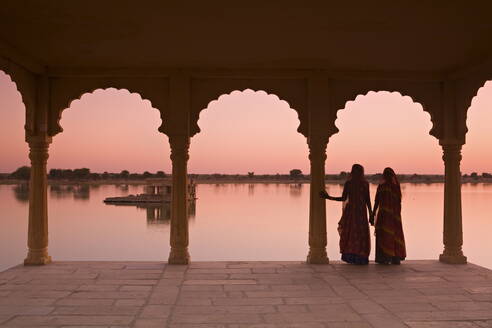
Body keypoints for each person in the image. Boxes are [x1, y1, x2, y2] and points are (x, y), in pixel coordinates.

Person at [320, 164, 372, 264]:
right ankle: (360, 257)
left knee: (351, 233)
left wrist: (329, 197)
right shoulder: (364, 183)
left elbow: (343, 198)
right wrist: (371, 214)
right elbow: (368, 201)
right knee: (360, 234)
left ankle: (353, 256)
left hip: (352, 212)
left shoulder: (350, 183)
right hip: (361, 213)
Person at [371, 167, 406, 265]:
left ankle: (384, 258)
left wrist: (373, 214)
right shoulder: (396, 187)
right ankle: (395, 257)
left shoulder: (382, 186)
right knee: (394, 235)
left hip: (384, 215)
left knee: (384, 235)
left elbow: (376, 202)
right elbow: (399, 202)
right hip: (394, 216)